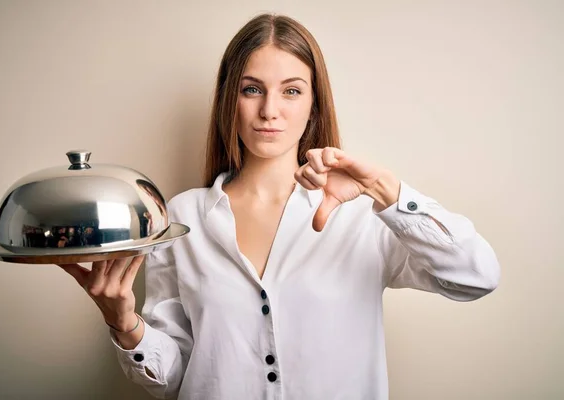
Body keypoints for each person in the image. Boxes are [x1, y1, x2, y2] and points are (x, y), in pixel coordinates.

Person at [58, 13, 500, 400]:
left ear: (313, 106)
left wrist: (382, 188)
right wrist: (123, 320)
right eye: (252, 89)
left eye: (291, 91)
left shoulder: (362, 215)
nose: (270, 110)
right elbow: (178, 378)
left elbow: (475, 277)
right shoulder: (181, 217)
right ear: (230, 101)